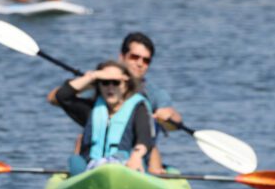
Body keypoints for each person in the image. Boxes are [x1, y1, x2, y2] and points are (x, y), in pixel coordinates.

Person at [47, 32, 181, 125]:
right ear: (122, 57)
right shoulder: (103, 85)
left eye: (146, 60)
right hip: (99, 145)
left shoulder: (154, 93)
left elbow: (175, 121)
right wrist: (90, 81)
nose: (140, 64)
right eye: (134, 57)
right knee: (81, 140)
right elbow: (54, 99)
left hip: (134, 149)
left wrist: (169, 115)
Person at [54, 61, 163, 175]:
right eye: (105, 82)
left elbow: (144, 138)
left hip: (125, 164)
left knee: (131, 159)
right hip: (91, 168)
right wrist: (92, 76)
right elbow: (63, 96)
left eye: (116, 82)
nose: (110, 87)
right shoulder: (92, 109)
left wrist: (136, 155)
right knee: (75, 161)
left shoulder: (138, 108)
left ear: (126, 84)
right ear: (99, 85)